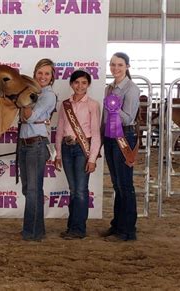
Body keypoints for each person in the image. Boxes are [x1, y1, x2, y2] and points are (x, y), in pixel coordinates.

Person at [54, 70, 101, 240]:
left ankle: (79, 229)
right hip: (67, 148)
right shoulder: (65, 105)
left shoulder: (93, 105)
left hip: (83, 149)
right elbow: (59, 130)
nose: (80, 86)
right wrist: (58, 154)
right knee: (73, 190)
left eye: (83, 82)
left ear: (88, 85)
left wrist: (92, 158)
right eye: (76, 82)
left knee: (81, 190)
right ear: (71, 84)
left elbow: (96, 133)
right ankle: (72, 227)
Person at [101, 52, 140, 242]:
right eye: (113, 64)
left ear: (127, 67)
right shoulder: (110, 88)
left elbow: (129, 117)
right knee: (117, 184)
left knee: (125, 185)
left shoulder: (131, 89)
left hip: (124, 136)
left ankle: (127, 230)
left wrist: (114, 108)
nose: (115, 68)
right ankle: (117, 225)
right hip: (110, 136)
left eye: (120, 65)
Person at [18, 58, 57, 241]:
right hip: (24, 143)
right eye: (40, 73)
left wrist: (25, 107)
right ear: (34, 74)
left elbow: (29, 117)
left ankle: (31, 232)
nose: (43, 76)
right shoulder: (33, 92)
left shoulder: (48, 95)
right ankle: (36, 229)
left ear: (52, 77)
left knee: (33, 189)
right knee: (29, 189)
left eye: (47, 74)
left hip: (36, 144)